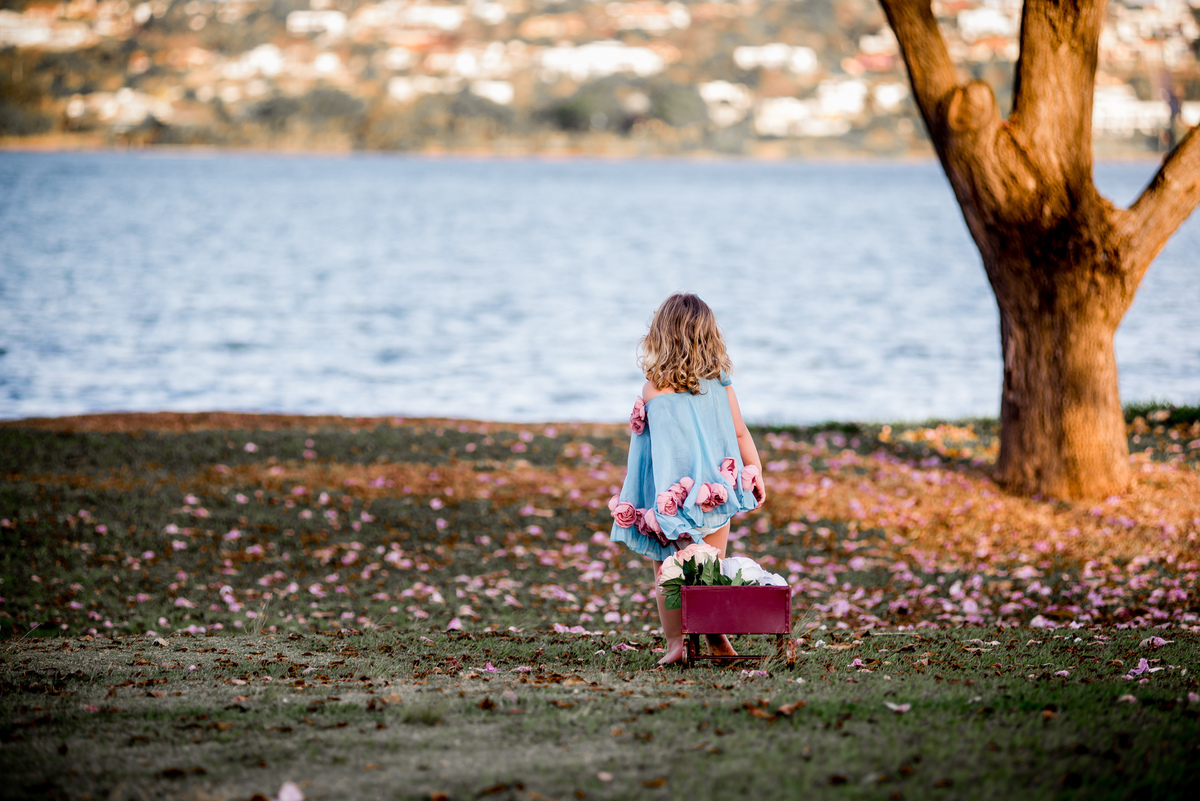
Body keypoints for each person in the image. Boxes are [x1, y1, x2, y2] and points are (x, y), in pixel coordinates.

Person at [608, 293, 765, 666]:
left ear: (660, 336)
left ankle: (677, 643)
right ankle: (715, 636)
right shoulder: (719, 383)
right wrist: (754, 472)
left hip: (666, 500)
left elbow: (652, 453)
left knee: (668, 574)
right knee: (709, 568)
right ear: (708, 338)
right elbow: (740, 433)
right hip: (713, 492)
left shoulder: (653, 390)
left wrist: (652, 503)